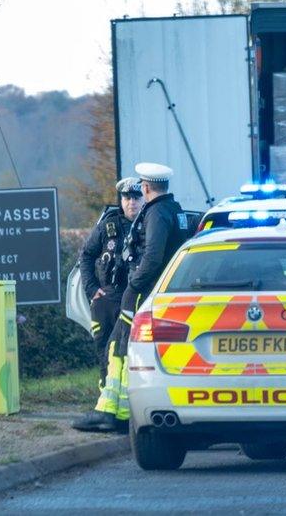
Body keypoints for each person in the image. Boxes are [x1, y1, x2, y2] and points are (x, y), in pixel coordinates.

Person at [73, 163, 190, 432]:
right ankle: (122, 411)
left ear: (146, 188)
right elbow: (89, 256)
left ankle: (108, 411)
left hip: (140, 292)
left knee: (119, 346)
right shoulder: (173, 210)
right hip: (148, 293)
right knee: (121, 346)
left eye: (139, 191)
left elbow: (152, 257)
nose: (133, 200)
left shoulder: (157, 213)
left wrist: (133, 286)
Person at [77, 177, 143, 386]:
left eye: (136, 197)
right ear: (121, 200)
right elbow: (86, 255)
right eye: (127, 198)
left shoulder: (151, 225)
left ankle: (130, 394)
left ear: (144, 199)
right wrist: (91, 289)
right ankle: (106, 392)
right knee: (105, 348)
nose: (131, 202)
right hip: (108, 297)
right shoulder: (108, 225)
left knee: (133, 348)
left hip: (138, 297)